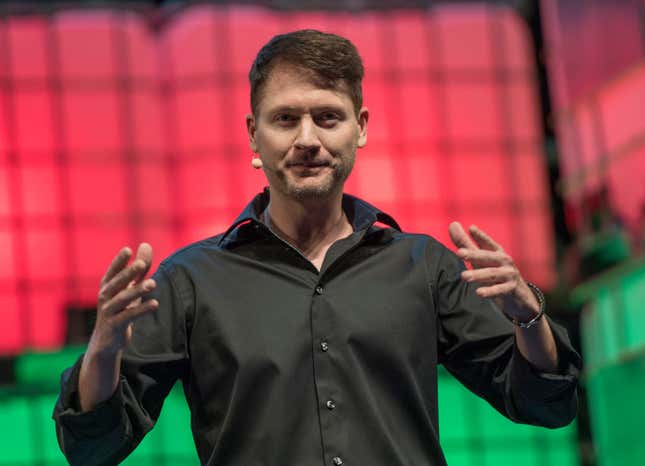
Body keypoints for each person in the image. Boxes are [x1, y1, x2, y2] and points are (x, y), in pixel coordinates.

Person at [53, 30, 580, 466]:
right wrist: (102, 350)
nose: (308, 138)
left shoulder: (423, 265)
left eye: (328, 117)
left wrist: (528, 315)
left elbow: (545, 403)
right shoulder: (190, 281)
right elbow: (93, 445)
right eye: (285, 119)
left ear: (361, 128)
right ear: (253, 136)